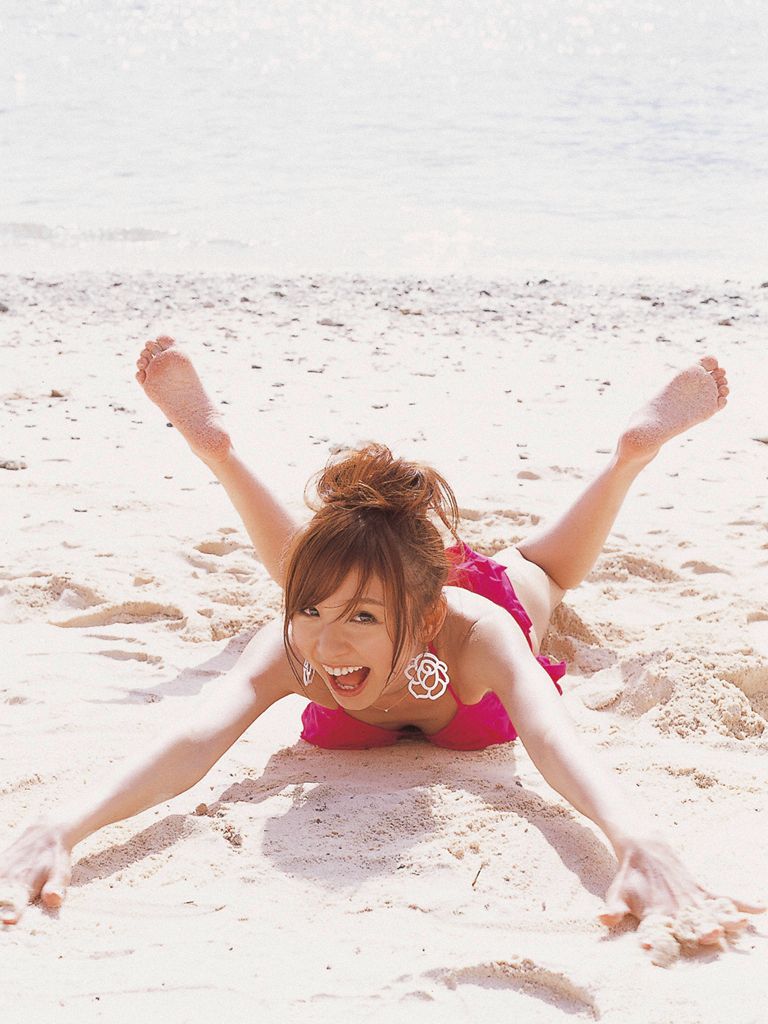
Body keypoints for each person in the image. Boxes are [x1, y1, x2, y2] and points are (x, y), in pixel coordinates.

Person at [0, 337, 762, 953]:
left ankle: (629, 456)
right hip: (385, 589)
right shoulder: (297, 646)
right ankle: (221, 453)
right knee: (327, 573)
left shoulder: (476, 631)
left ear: (426, 620)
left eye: (360, 622)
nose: (327, 647)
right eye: (308, 615)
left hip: (455, 605)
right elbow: (196, 736)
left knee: (542, 574)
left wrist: (637, 841)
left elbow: (554, 738)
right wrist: (60, 826)